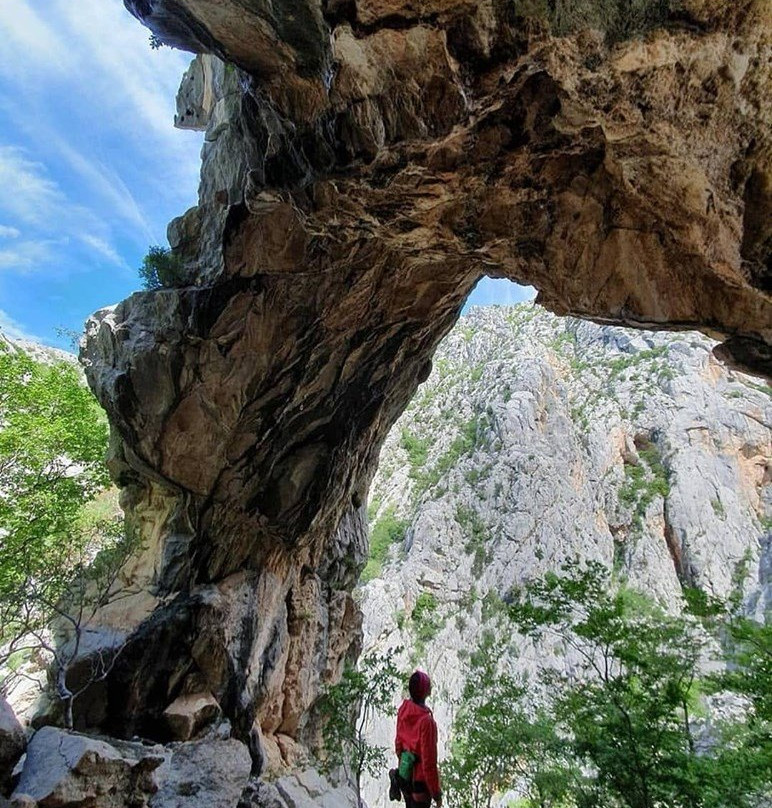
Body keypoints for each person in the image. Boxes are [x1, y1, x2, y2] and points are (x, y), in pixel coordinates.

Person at [394, 669, 442, 807]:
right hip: (420, 783)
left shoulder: (403, 709)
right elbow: (429, 762)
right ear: (425, 691)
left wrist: (405, 765)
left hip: (406, 776)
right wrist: (436, 793)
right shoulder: (427, 722)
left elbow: (398, 745)